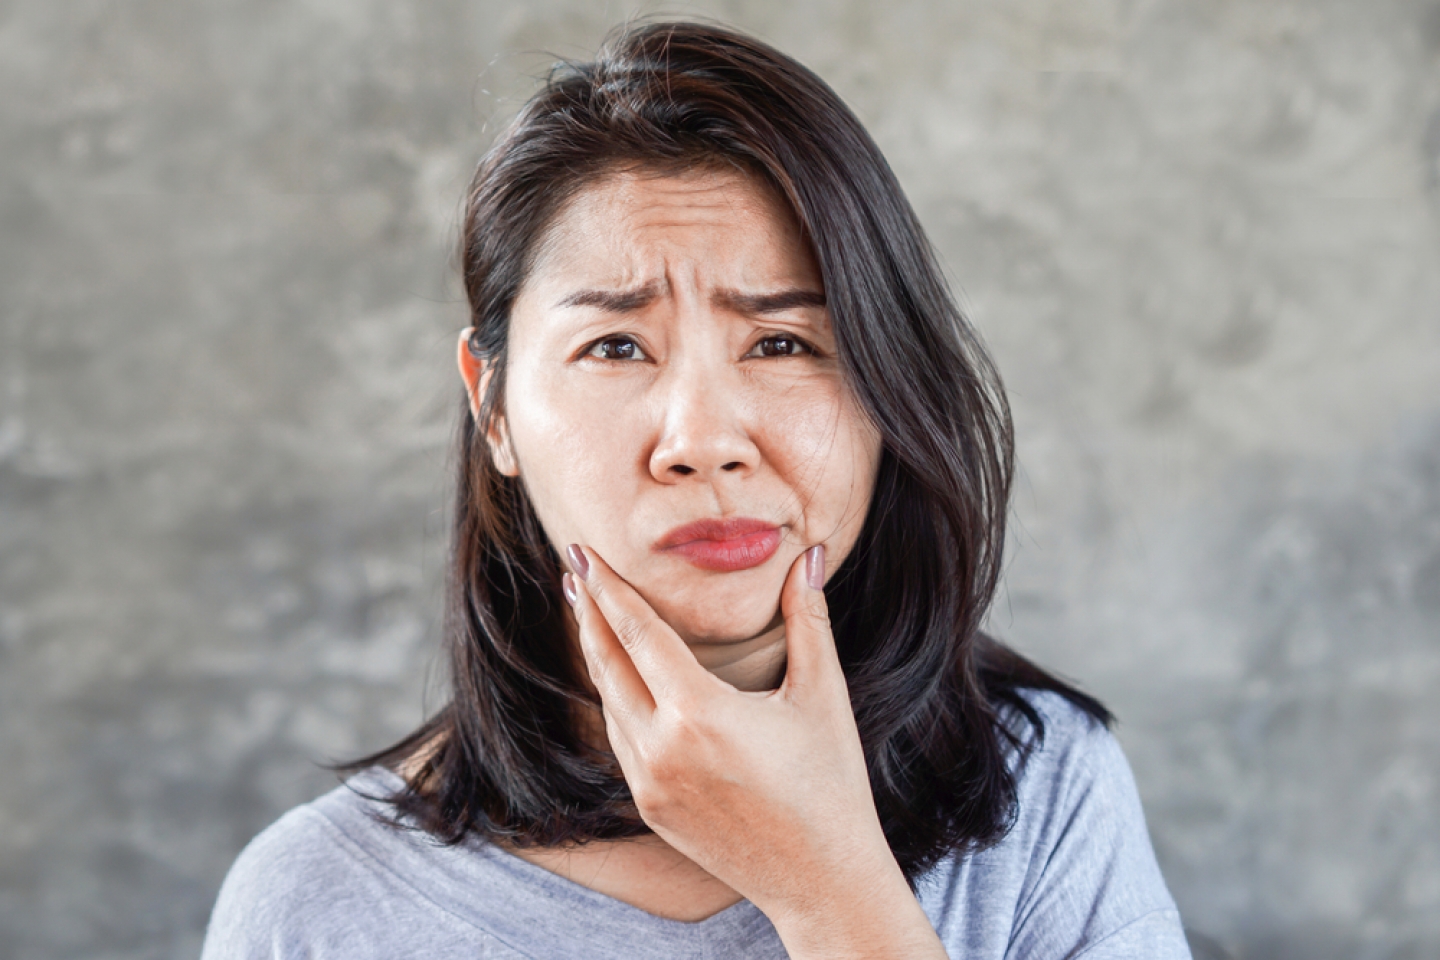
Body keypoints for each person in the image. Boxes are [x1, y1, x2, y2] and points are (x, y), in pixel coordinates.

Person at [201, 20, 1192, 960]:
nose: (704, 443)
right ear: (492, 406)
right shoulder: (314, 904)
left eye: (781, 343)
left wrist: (826, 886)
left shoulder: (1042, 790)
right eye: (616, 346)